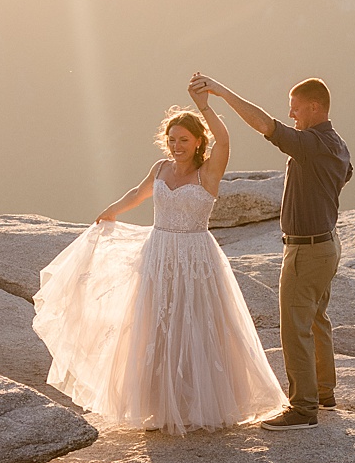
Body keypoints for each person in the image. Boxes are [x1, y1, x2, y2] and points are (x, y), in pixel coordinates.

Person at [30, 85, 287, 434]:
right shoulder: (161, 169)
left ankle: (198, 404)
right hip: (159, 254)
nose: (176, 146)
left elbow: (225, 141)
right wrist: (111, 212)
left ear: (198, 141)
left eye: (183, 140)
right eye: (172, 140)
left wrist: (206, 106)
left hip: (197, 257)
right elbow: (138, 193)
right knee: (155, 327)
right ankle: (156, 406)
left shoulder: (208, 172)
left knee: (199, 327)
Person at [191, 72, 351, 430]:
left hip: (307, 250)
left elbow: (265, 124)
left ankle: (303, 409)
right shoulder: (336, 144)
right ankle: (324, 392)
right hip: (327, 244)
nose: (292, 115)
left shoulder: (312, 144)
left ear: (314, 107)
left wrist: (220, 90)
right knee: (316, 319)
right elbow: (347, 174)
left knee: (295, 327)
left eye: (295, 109)